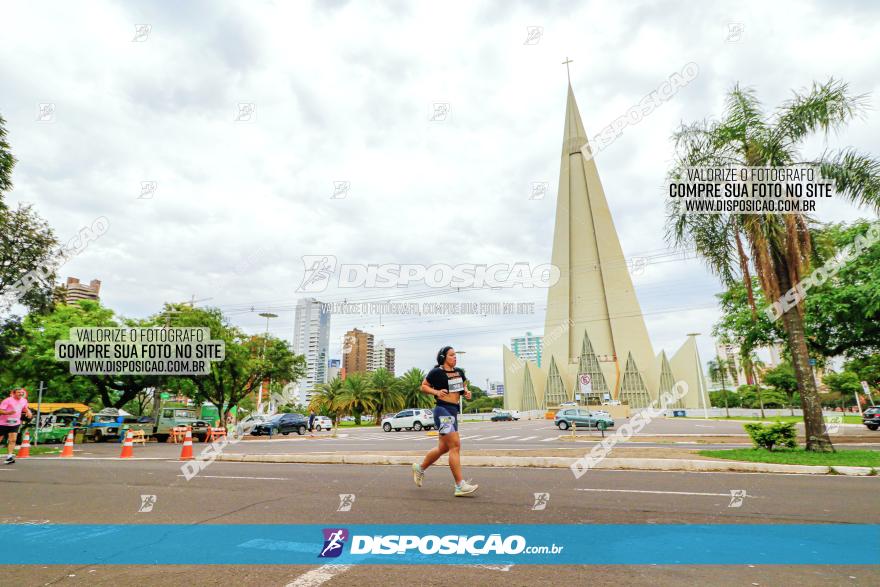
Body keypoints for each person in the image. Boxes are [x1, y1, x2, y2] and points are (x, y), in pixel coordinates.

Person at [412, 346, 478, 496]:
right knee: (455, 445)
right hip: (442, 411)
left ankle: (419, 468)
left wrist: (467, 393)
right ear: (443, 357)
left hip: (453, 411)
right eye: (452, 355)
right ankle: (460, 485)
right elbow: (423, 386)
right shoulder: (437, 372)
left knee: (443, 448)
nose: (455, 357)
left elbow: (462, 389)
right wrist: (436, 392)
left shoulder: (459, 372)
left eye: (455, 355)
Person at [0, 388, 32, 464]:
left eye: (22, 392)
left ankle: (9, 457)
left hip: (15, 423)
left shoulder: (24, 400)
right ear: (14, 393)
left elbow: (25, 408)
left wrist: (28, 412)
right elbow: (0, 410)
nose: (21, 394)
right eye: (18, 392)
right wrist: (8, 413)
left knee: (13, 440)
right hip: (3, 423)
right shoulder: (7, 400)